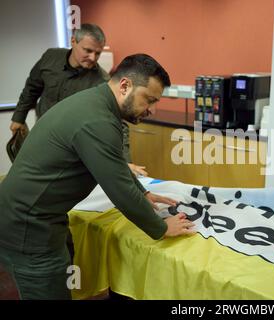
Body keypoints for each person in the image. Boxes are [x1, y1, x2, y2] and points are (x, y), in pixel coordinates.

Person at [0, 53, 195, 299]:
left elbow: (112, 162)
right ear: (125, 85)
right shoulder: (98, 120)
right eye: (149, 99)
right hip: (28, 226)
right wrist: (161, 227)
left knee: (66, 272)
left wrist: (143, 192)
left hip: (41, 216)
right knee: (49, 289)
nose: (152, 110)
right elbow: (119, 189)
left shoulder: (95, 103)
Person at [9, 23, 147, 176]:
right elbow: (31, 88)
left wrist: (124, 161)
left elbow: (118, 123)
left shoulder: (102, 81)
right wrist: (18, 118)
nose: (93, 58)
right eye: (87, 51)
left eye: (98, 53)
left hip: (71, 149)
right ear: (73, 41)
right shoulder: (50, 58)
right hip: (42, 136)